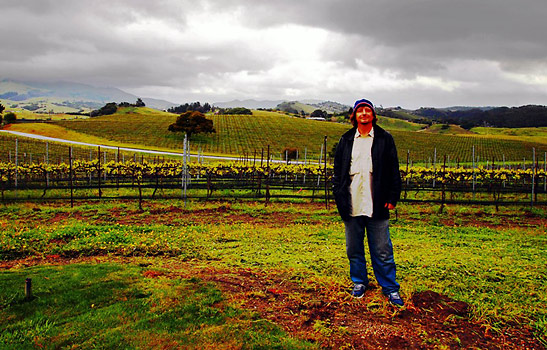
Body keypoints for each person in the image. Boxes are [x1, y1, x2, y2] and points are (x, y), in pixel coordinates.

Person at [332, 98, 404, 306]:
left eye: (367, 110)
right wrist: (339, 197)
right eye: (360, 111)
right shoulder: (346, 140)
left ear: (373, 115)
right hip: (351, 201)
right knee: (353, 248)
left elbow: (393, 170)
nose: (364, 113)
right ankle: (359, 282)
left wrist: (392, 197)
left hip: (377, 203)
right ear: (354, 116)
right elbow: (338, 173)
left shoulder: (384, 138)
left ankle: (390, 288)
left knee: (382, 249)